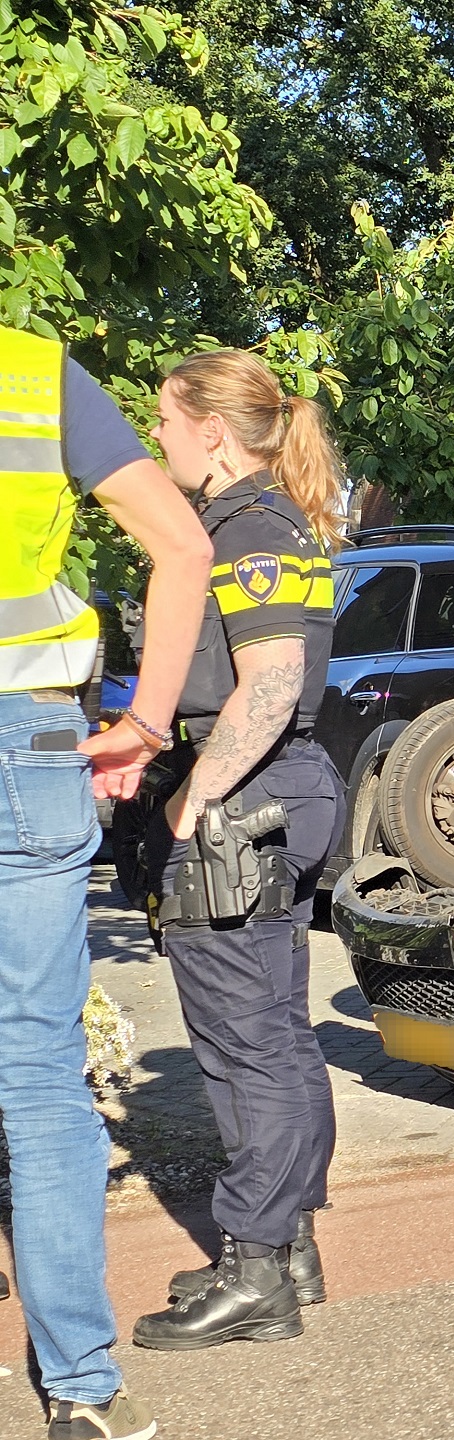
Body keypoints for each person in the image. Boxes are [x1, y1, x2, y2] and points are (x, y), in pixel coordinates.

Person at [0, 324, 213, 1440]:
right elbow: (181, 548)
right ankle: (78, 1390)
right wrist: (141, 722)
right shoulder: (34, 377)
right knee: (36, 1079)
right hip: (24, 748)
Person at [122, 350, 347, 1352]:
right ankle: (287, 1247)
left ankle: (256, 1272)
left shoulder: (244, 528)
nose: (156, 439)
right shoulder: (277, 518)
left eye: (165, 422)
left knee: (242, 1042)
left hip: (244, 800)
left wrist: (189, 807)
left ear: (212, 431)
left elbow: (267, 683)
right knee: (280, 1033)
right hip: (286, 794)